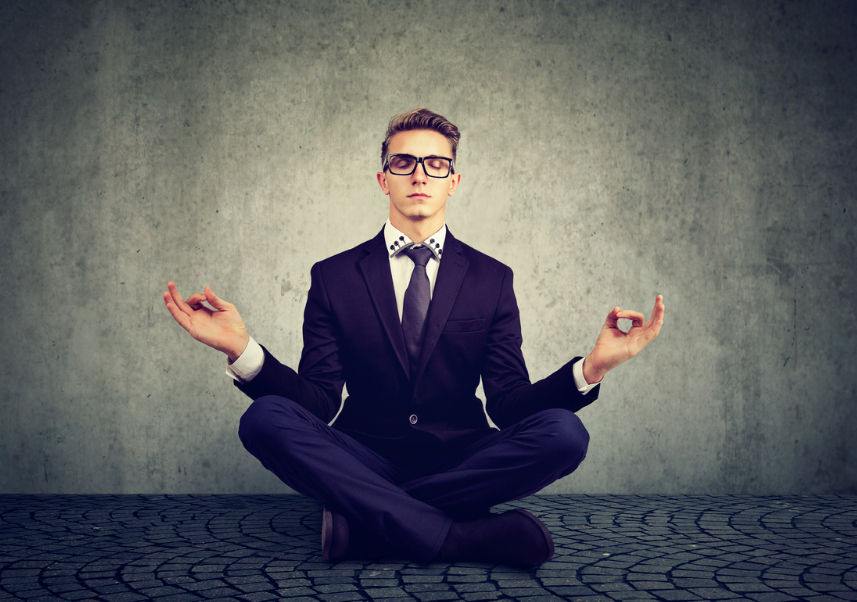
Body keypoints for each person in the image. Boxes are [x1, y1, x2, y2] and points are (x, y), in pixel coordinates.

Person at [164, 108, 664, 566]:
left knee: (564, 433)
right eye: (403, 162)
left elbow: (508, 406)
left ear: (454, 180)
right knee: (265, 418)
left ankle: (370, 522)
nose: (420, 173)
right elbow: (317, 402)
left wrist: (592, 369)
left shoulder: (493, 279)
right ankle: (459, 537)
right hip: (363, 455)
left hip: (461, 457)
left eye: (435, 164)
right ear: (383, 178)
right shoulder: (334, 276)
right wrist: (241, 350)